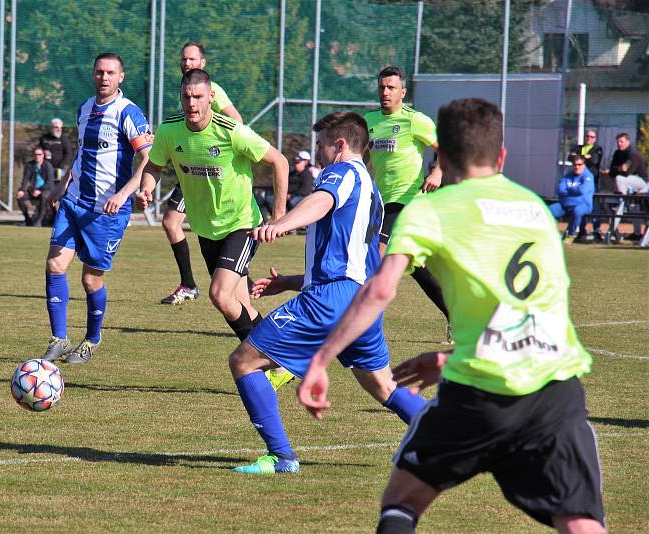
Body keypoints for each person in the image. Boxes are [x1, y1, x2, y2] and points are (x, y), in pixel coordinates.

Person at [299, 98, 605, 533]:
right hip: (557, 388)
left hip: (480, 392)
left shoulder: (430, 210)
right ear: (501, 156)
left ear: (439, 156)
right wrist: (446, 360)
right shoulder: (535, 209)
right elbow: (529, 307)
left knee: (401, 502)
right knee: (578, 522)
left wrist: (323, 359)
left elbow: (380, 288)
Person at [228, 111, 426, 475]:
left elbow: (321, 202)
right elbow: (350, 259)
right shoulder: (372, 189)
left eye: (320, 144)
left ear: (339, 145)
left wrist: (281, 223)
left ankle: (282, 456)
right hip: (363, 299)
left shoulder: (342, 172)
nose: (317, 151)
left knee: (244, 361)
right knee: (383, 386)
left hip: (333, 300)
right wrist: (289, 281)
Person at [136, 68, 287, 345]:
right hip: (206, 229)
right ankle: (278, 355)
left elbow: (280, 161)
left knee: (219, 295)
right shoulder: (170, 130)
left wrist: (278, 216)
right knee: (239, 303)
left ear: (211, 97)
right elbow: (154, 166)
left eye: (198, 96)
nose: (191, 103)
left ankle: (264, 359)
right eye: (186, 97)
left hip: (242, 225)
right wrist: (146, 188)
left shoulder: (232, 132)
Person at [41, 52, 153, 364]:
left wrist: (125, 194)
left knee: (91, 280)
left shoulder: (128, 112)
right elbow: (81, 153)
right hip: (74, 201)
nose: (104, 77)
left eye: (110, 73)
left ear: (121, 78)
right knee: (54, 265)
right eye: (99, 72)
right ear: (93, 75)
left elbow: (148, 159)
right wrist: (62, 184)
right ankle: (59, 339)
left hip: (106, 213)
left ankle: (91, 339)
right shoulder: (85, 108)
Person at [364, 65, 451, 342]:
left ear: (402, 92)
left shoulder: (416, 121)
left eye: (391, 88)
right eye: (381, 87)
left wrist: (437, 172)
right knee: (416, 265)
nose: (385, 92)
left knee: (375, 255)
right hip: (380, 201)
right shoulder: (369, 121)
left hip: (407, 200)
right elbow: (361, 158)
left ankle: (360, 324)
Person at [158, 42, 244, 306]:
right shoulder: (186, 90)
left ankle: (195, 282)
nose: (187, 63)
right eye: (183, 59)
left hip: (211, 174)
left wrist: (217, 146)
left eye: (192, 59)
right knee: (171, 222)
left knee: (173, 223)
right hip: (193, 172)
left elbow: (237, 121)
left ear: (203, 63)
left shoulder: (212, 89)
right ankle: (191, 282)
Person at [603, 132, 648, 240]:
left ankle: (621, 199)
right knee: (633, 207)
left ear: (627, 142)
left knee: (619, 179)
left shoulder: (633, 154)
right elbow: (612, 172)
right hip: (629, 185)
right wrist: (618, 169)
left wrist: (615, 170)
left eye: (621, 141)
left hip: (642, 184)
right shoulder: (617, 153)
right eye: (618, 142)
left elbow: (627, 172)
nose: (619, 144)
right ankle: (637, 233)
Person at [548, 155, 594, 243]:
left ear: (584, 165)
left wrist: (569, 190)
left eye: (580, 164)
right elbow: (560, 189)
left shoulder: (588, 176)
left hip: (582, 205)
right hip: (565, 204)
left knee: (578, 211)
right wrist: (574, 191)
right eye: (575, 165)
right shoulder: (567, 176)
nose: (577, 167)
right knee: (548, 211)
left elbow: (582, 190)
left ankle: (571, 235)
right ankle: (553, 234)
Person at [262, 150, 318, 217]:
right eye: (295, 162)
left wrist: (291, 195)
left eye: (298, 162)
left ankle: (293, 221)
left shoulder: (307, 174)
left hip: (300, 196)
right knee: (269, 199)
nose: (296, 164)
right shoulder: (292, 174)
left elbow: (305, 190)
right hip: (287, 195)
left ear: (305, 162)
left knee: (293, 202)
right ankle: (278, 218)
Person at [17, 146, 55, 226]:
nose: (37, 156)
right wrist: (22, 190)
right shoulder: (30, 165)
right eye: (35, 154)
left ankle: (39, 220)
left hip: (46, 190)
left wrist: (40, 190)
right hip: (33, 190)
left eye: (39, 154)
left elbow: (50, 182)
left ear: (43, 155)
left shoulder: (48, 165)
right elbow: (25, 179)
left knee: (44, 196)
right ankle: (28, 220)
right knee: (20, 197)